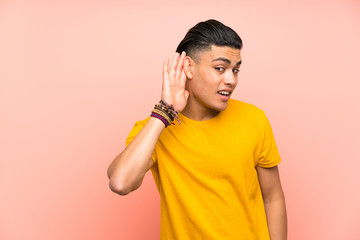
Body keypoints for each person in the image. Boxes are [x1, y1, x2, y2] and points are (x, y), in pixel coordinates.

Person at [107, 19, 287, 240]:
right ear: (189, 67)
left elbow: (273, 197)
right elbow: (120, 182)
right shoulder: (155, 129)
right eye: (220, 68)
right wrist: (164, 112)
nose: (231, 80)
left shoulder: (254, 119)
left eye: (236, 70)